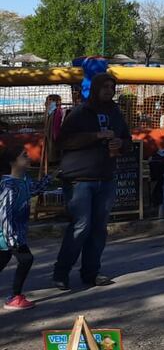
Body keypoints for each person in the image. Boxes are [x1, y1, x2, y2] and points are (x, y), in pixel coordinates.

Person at [52, 72, 132, 290]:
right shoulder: (80, 112)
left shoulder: (115, 112)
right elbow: (63, 142)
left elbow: (127, 140)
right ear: (95, 89)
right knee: (80, 226)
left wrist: (119, 143)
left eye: (111, 86)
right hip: (79, 179)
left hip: (105, 177)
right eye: (104, 86)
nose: (108, 90)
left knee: (99, 228)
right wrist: (96, 136)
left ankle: (91, 272)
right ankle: (61, 272)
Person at [1, 144, 51, 310]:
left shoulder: (24, 180)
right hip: (7, 235)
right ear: (12, 162)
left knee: (3, 259)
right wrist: (11, 239)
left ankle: (15, 296)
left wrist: (50, 178)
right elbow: (4, 214)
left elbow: (34, 190)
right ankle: (15, 297)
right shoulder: (8, 186)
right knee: (26, 259)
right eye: (24, 155)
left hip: (16, 233)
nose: (28, 157)